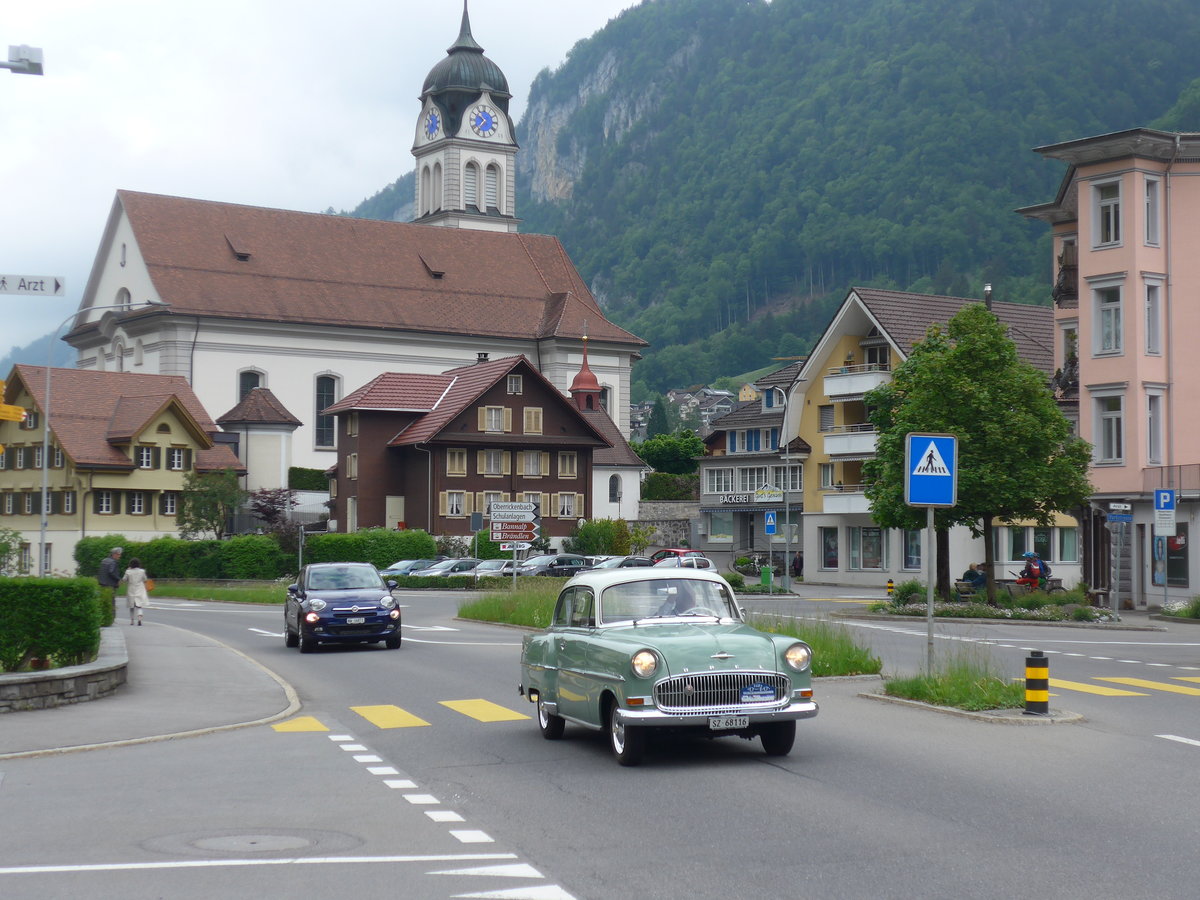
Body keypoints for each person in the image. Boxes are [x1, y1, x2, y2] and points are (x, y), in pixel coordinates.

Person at [121, 557, 150, 625]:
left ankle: (132, 621)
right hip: (140, 589)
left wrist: (127, 571)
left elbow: (124, 579)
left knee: (132, 606)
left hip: (131, 589)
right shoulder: (142, 571)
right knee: (139, 605)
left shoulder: (128, 571)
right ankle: (139, 618)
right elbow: (145, 579)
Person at [97, 546, 123, 620]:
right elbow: (111, 572)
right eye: (118, 554)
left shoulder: (104, 561)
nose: (119, 556)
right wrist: (118, 579)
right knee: (111, 601)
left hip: (102, 584)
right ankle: (111, 618)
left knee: (103, 601)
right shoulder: (113, 562)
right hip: (110, 585)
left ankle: (103, 618)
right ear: (114, 554)